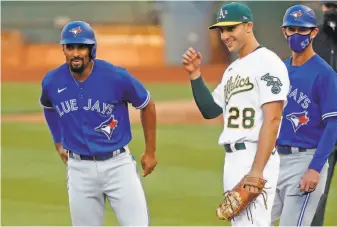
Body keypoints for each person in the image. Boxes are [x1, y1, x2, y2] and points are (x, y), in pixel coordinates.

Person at [39, 21, 157, 226]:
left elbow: (146, 104)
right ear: (63, 49)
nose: (76, 53)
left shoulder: (116, 76)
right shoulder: (52, 81)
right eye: (71, 47)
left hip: (118, 166)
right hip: (79, 169)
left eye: (82, 47)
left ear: (91, 49)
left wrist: (150, 151)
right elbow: (48, 106)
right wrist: (58, 141)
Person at [182, 2, 290, 226]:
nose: (224, 35)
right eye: (221, 30)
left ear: (249, 26)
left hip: (254, 157)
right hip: (233, 160)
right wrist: (195, 75)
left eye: (231, 28)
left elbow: (273, 118)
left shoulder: (268, 63)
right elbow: (210, 109)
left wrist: (257, 170)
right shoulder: (233, 69)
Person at [271, 4, 337, 226]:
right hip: (276, 161)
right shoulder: (279, 70)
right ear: (284, 31)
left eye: (303, 29)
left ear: (314, 32)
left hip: (305, 161)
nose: (297, 34)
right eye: (292, 29)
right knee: (251, 221)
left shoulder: (324, 74)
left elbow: (333, 125)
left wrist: (315, 168)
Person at [312, 2, 337, 225]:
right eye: (329, 5)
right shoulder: (314, 39)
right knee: (316, 195)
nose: (331, 10)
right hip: (323, 131)